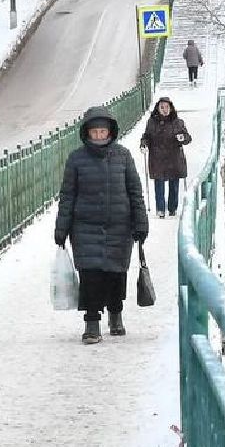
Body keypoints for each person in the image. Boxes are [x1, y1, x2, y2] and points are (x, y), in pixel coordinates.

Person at [54, 105, 149, 344]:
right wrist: (61, 228)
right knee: (91, 276)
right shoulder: (76, 159)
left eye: (102, 131)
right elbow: (67, 196)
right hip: (85, 228)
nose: (99, 135)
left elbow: (135, 192)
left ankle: (115, 314)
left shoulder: (123, 156)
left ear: (110, 132)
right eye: (94, 132)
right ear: (87, 133)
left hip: (119, 226)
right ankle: (92, 323)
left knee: (116, 274)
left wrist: (141, 222)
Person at [140, 97, 192, 218]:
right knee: (159, 184)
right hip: (157, 157)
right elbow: (146, 136)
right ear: (157, 108)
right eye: (162, 107)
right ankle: (160, 209)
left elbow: (188, 138)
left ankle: (172, 208)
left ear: (171, 108)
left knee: (174, 184)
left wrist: (183, 138)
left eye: (167, 107)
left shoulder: (178, 122)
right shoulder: (152, 122)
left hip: (174, 158)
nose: (165, 109)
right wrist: (144, 144)